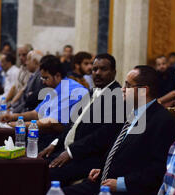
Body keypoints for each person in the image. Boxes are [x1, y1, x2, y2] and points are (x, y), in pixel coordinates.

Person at [62, 65, 175, 195]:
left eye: (127, 85)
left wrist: (119, 183)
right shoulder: (133, 112)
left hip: (134, 193)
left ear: (143, 90)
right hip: (107, 182)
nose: (122, 89)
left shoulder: (163, 121)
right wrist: (101, 168)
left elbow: (157, 171)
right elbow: (118, 150)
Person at [38, 53, 124, 186]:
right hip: (69, 149)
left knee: (44, 173)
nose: (97, 73)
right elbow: (73, 124)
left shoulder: (116, 96)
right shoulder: (92, 92)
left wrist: (71, 152)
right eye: (95, 69)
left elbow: (103, 136)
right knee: (35, 163)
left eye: (103, 69)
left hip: (88, 157)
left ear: (114, 72)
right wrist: (54, 143)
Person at [1, 55, 88, 147]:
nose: (43, 82)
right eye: (42, 78)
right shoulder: (53, 89)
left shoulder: (71, 90)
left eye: (46, 78)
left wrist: (19, 125)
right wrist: (13, 117)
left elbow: (51, 123)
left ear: (57, 76)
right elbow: (36, 113)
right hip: (46, 135)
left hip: (60, 141)